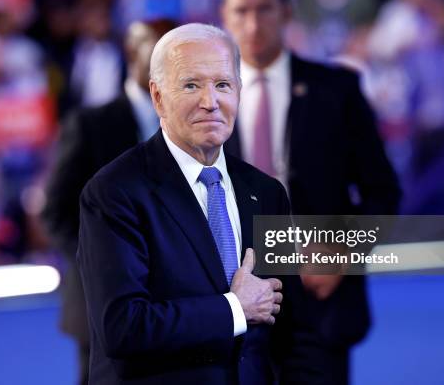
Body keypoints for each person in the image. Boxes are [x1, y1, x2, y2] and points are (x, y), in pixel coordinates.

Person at [77, 23, 289, 384]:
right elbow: (123, 326)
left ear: (239, 91)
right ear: (158, 97)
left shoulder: (266, 192)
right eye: (191, 85)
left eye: (223, 85)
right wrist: (233, 309)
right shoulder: (115, 192)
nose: (210, 101)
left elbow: (284, 327)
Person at [221, 0, 401, 384]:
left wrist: (341, 252)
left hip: (320, 310)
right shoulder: (206, 100)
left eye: (264, 9)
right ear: (224, 16)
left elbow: (383, 191)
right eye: (240, 10)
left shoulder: (337, 90)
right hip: (229, 309)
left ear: (286, 12)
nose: (252, 23)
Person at [42, 19, 175, 385]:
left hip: (177, 311)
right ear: (133, 52)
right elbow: (55, 212)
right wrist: (100, 263)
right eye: (161, 47)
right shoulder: (90, 125)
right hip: (102, 307)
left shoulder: (195, 126)